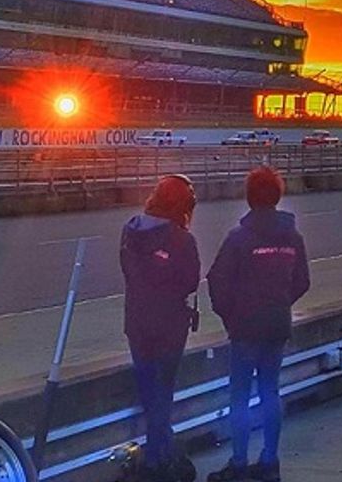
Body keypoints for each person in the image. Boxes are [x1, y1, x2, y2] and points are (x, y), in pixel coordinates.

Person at [208, 167, 311, 482]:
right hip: (277, 324)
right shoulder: (293, 236)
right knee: (270, 391)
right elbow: (303, 281)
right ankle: (270, 461)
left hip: (245, 327)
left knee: (239, 395)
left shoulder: (239, 238)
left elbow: (217, 280)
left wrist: (230, 315)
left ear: (249, 197)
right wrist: (280, 303)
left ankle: (239, 462)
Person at [120, 175, 201, 482]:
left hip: (137, 323)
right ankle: (156, 462)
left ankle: (161, 455)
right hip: (169, 326)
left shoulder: (130, 232)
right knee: (163, 393)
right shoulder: (182, 239)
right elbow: (190, 282)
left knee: (148, 391)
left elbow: (128, 272)